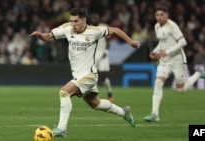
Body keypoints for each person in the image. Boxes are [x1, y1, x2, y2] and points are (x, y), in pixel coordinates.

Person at [30, 8, 140, 137]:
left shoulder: (94, 31)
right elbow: (48, 36)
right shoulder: (67, 28)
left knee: (64, 92)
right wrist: (40, 35)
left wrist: (131, 42)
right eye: (71, 21)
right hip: (79, 76)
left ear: (84, 20)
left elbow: (115, 30)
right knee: (96, 104)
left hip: (89, 75)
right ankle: (123, 112)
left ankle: (62, 128)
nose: (73, 24)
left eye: (76, 21)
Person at [143, 5, 205, 122]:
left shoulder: (172, 26)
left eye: (162, 15)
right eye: (157, 15)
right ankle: (155, 114)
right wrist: (155, 51)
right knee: (158, 83)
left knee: (181, 90)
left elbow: (183, 42)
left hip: (177, 60)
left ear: (167, 15)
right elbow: (163, 43)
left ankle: (198, 74)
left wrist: (167, 52)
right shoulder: (157, 26)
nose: (159, 17)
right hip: (164, 61)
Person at [90, 13, 114, 102]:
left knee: (103, 77)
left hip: (103, 55)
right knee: (92, 76)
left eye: (96, 18)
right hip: (93, 55)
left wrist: (106, 51)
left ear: (98, 19)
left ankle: (110, 92)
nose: (94, 19)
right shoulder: (89, 28)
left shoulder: (104, 27)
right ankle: (95, 96)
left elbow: (108, 41)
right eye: (93, 18)